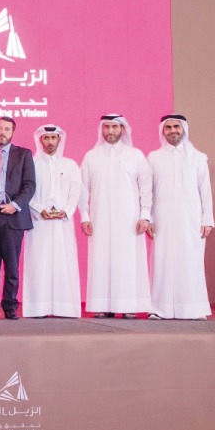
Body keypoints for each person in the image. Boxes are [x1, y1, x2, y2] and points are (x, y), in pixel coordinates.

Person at [79, 114, 153, 318]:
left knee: (128, 261)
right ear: (102, 129)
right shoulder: (91, 156)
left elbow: (146, 188)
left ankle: (128, 306)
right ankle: (103, 306)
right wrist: (84, 216)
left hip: (129, 220)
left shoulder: (135, 155)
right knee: (100, 260)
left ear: (123, 129)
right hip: (99, 218)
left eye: (114, 127)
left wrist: (145, 215)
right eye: (107, 127)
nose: (110, 131)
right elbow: (83, 189)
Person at [148, 114, 214, 320]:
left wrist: (207, 219)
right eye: (168, 128)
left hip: (191, 218)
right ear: (162, 131)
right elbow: (148, 192)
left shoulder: (198, 157)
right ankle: (159, 309)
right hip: (162, 217)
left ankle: (194, 309)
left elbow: (205, 190)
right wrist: (148, 218)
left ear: (183, 129)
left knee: (190, 260)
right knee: (162, 260)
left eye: (176, 126)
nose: (172, 131)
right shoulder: (153, 157)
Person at [0, 117, 36, 320]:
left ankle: (10, 306)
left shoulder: (23, 154)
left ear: (13, 132)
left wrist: (15, 205)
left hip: (13, 216)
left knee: (11, 266)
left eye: (7, 129)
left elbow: (30, 185)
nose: (2, 132)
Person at [22, 125, 82, 318]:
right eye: (46, 138)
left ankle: (64, 308)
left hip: (63, 223)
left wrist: (66, 211)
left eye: (53, 138)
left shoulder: (70, 164)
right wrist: (40, 210)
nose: (49, 142)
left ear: (59, 140)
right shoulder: (32, 163)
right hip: (39, 223)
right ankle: (37, 308)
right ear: (40, 140)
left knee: (64, 262)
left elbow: (75, 192)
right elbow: (26, 191)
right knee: (38, 263)